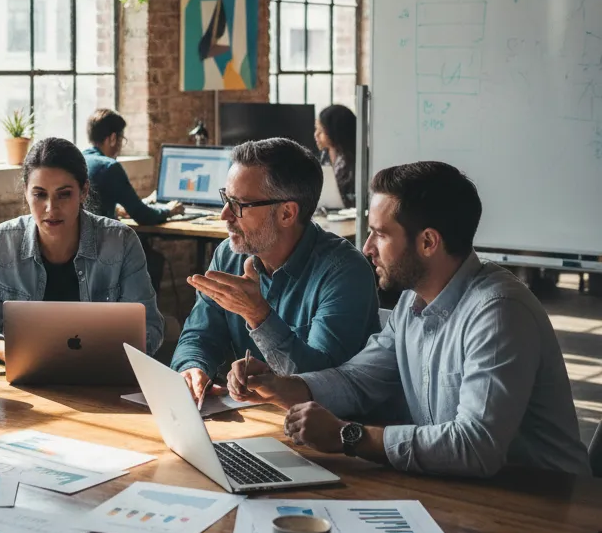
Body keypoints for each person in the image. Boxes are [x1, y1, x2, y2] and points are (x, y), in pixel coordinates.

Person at [228, 161, 590, 479]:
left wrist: (347, 435)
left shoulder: (498, 312)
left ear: (428, 242)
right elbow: (356, 381)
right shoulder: (412, 304)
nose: (367, 247)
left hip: (550, 511)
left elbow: (476, 446)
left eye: (380, 234)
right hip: (470, 492)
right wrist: (282, 386)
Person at [171, 138, 381, 404]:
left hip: (327, 434)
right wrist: (193, 367)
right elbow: (200, 333)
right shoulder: (230, 254)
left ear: (286, 214)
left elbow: (320, 386)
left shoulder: (344, 272)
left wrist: (258, 314)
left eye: (240, 205)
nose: (225, 214)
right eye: (226, 198)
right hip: (255, 420)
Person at [0, 136, 165, 360]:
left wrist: (103, 353)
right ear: (26, 193)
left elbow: (150, 328)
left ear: (84, 192)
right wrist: (10, 351)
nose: (51, 208)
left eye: (64, 194)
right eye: (40, 195)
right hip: (25, 379)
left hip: (102, 378)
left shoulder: (121, 242)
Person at [83, 108, 183, 225]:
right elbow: (143, 216)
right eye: (122, 140)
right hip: (102, 241)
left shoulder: (79, 159)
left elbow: (89, 205)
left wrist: (116, 210)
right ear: (113, 139)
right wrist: (169, 210)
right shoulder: (110, 167)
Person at [314, 104, 356, 208]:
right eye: (316, 129)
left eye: (321, 131)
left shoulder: (357, 159)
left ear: (335, 132)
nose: (316, 134)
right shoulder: (323, 156)